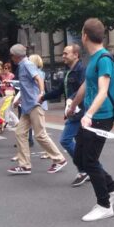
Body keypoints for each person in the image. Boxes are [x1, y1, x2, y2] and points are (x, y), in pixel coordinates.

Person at [66, 18, 114, 222]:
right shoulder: (93, 59)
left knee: (89, 161)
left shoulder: (104, 59)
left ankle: (104, 204)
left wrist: (89, 114)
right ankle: (113, 188)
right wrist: (74, 106)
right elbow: (86, 86)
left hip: (100, 117)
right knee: (80, 159)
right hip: (89, 117)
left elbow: (103, 91)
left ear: (84, 36)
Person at [7, 44, 67, 175]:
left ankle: (59, 159)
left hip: (34, 105)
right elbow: (27, 86)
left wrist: (41, 93)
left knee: (40, 134)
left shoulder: (27, 64)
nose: (11, 58)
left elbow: (38, 78)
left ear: (16, 56)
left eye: (11, 55)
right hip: (28, 106)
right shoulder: (22, 65)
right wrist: (20, 99)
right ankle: (24, 165)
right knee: (19, 132)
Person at [42, 44, 90, 187]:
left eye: (65, 53)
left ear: (76, 55)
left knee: (65, 140)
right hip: (73, 112)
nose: (63, 56)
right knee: (82, 145)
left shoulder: (82, 70)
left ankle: (83, 170)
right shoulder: (69, 72)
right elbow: (59, 91)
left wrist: (72, 103)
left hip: (79, 112)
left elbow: (84, 89)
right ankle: (88, 169)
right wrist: (43, 97)